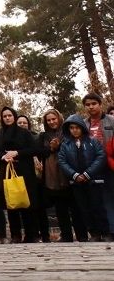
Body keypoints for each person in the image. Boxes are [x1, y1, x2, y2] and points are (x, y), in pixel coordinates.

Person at [0, 106, 43, 243]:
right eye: (4, 116)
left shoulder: (24, 133)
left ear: (14, 116)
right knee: (11, 202)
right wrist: (4, 156)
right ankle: (15, 235)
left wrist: (17, 153)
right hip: (7, 171)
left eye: (9, 115)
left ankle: (31, 235)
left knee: (26, 203)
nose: (7, 118)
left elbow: (34, 149)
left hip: (25, 172)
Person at [57, 113, 107, 242]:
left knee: (98, 207)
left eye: (77, 127)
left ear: (82, 128)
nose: (74, 130)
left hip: (94, 181)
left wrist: (87, 173)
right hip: (76, 182)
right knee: (84, 209)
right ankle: (94, 233)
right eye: (72, 127)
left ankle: (105, 232)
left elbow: (100, 157)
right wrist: (74, 175)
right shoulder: (65, 145)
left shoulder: (92, 141)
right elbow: (62, 161)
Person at [39, 109, 78, 242]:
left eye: (53, 119)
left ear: (59, 118)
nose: (51, 122)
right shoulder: (43, 136)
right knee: (60, 209)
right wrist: (50, 148)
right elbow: (41, 152)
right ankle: (66, 236)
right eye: (48, 120)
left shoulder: (68, 132)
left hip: (68, 172)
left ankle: (82, 235)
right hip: (53, 175)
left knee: (75, 208)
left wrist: (59, 146)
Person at [82, 93, 114, 241]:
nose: (91, 107)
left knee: (109, 199)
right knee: (94, 201)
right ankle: (99, 232)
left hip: (109, 165)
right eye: (88, 104)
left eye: (94, 103)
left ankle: (111, 231)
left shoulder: (111, 120)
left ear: (100, 104)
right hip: (91, 167)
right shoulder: (83, 124)